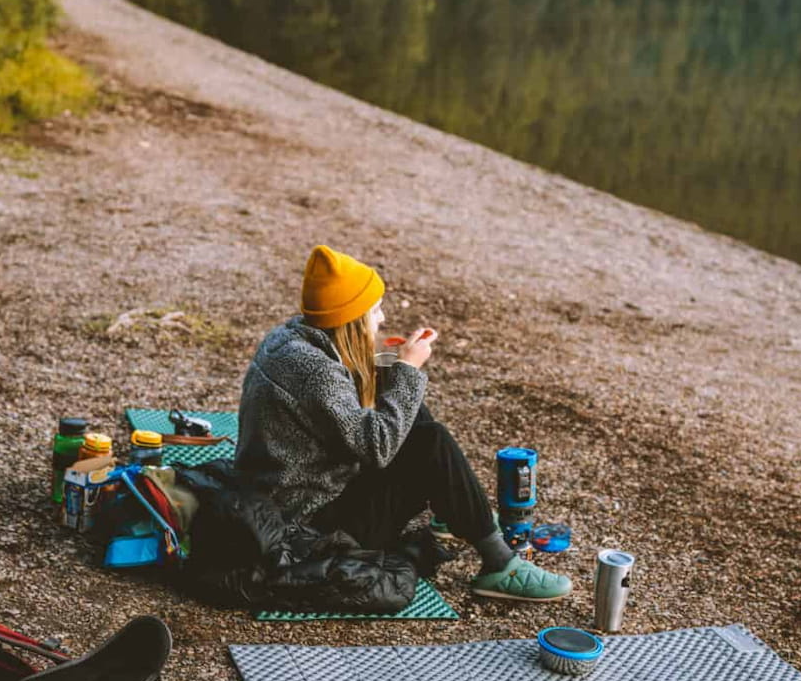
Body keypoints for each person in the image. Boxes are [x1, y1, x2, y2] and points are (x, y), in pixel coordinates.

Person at [233, 245, 572, 601]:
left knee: (416, 420)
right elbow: (377, 446)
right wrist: (408, 370)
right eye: (374, 311)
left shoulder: (288, 340)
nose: (381, 319)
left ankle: (456, 507)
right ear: (350, 320)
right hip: (306, 529)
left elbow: (337, 410)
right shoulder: (316, 373)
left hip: (277, 498)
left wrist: (389, 369)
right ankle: (500, 564)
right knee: (430, 441)